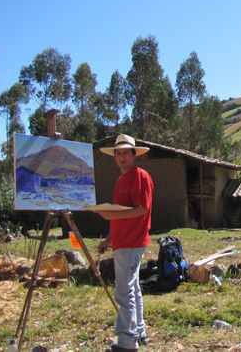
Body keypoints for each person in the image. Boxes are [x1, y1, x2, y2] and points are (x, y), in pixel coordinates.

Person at [95, 134, 153, 352]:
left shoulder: (140, 176)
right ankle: (139, 331)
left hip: (133, 241)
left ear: (134, 155)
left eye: (125, 153)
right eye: (117, 153)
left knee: (124, 290)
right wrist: (110, 239)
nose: (121, 157)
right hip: (122, 242)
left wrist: (109, 216)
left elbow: (141, 210)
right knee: (133, 287)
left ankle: (127, 343)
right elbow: (121, 211)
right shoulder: (121, 180)